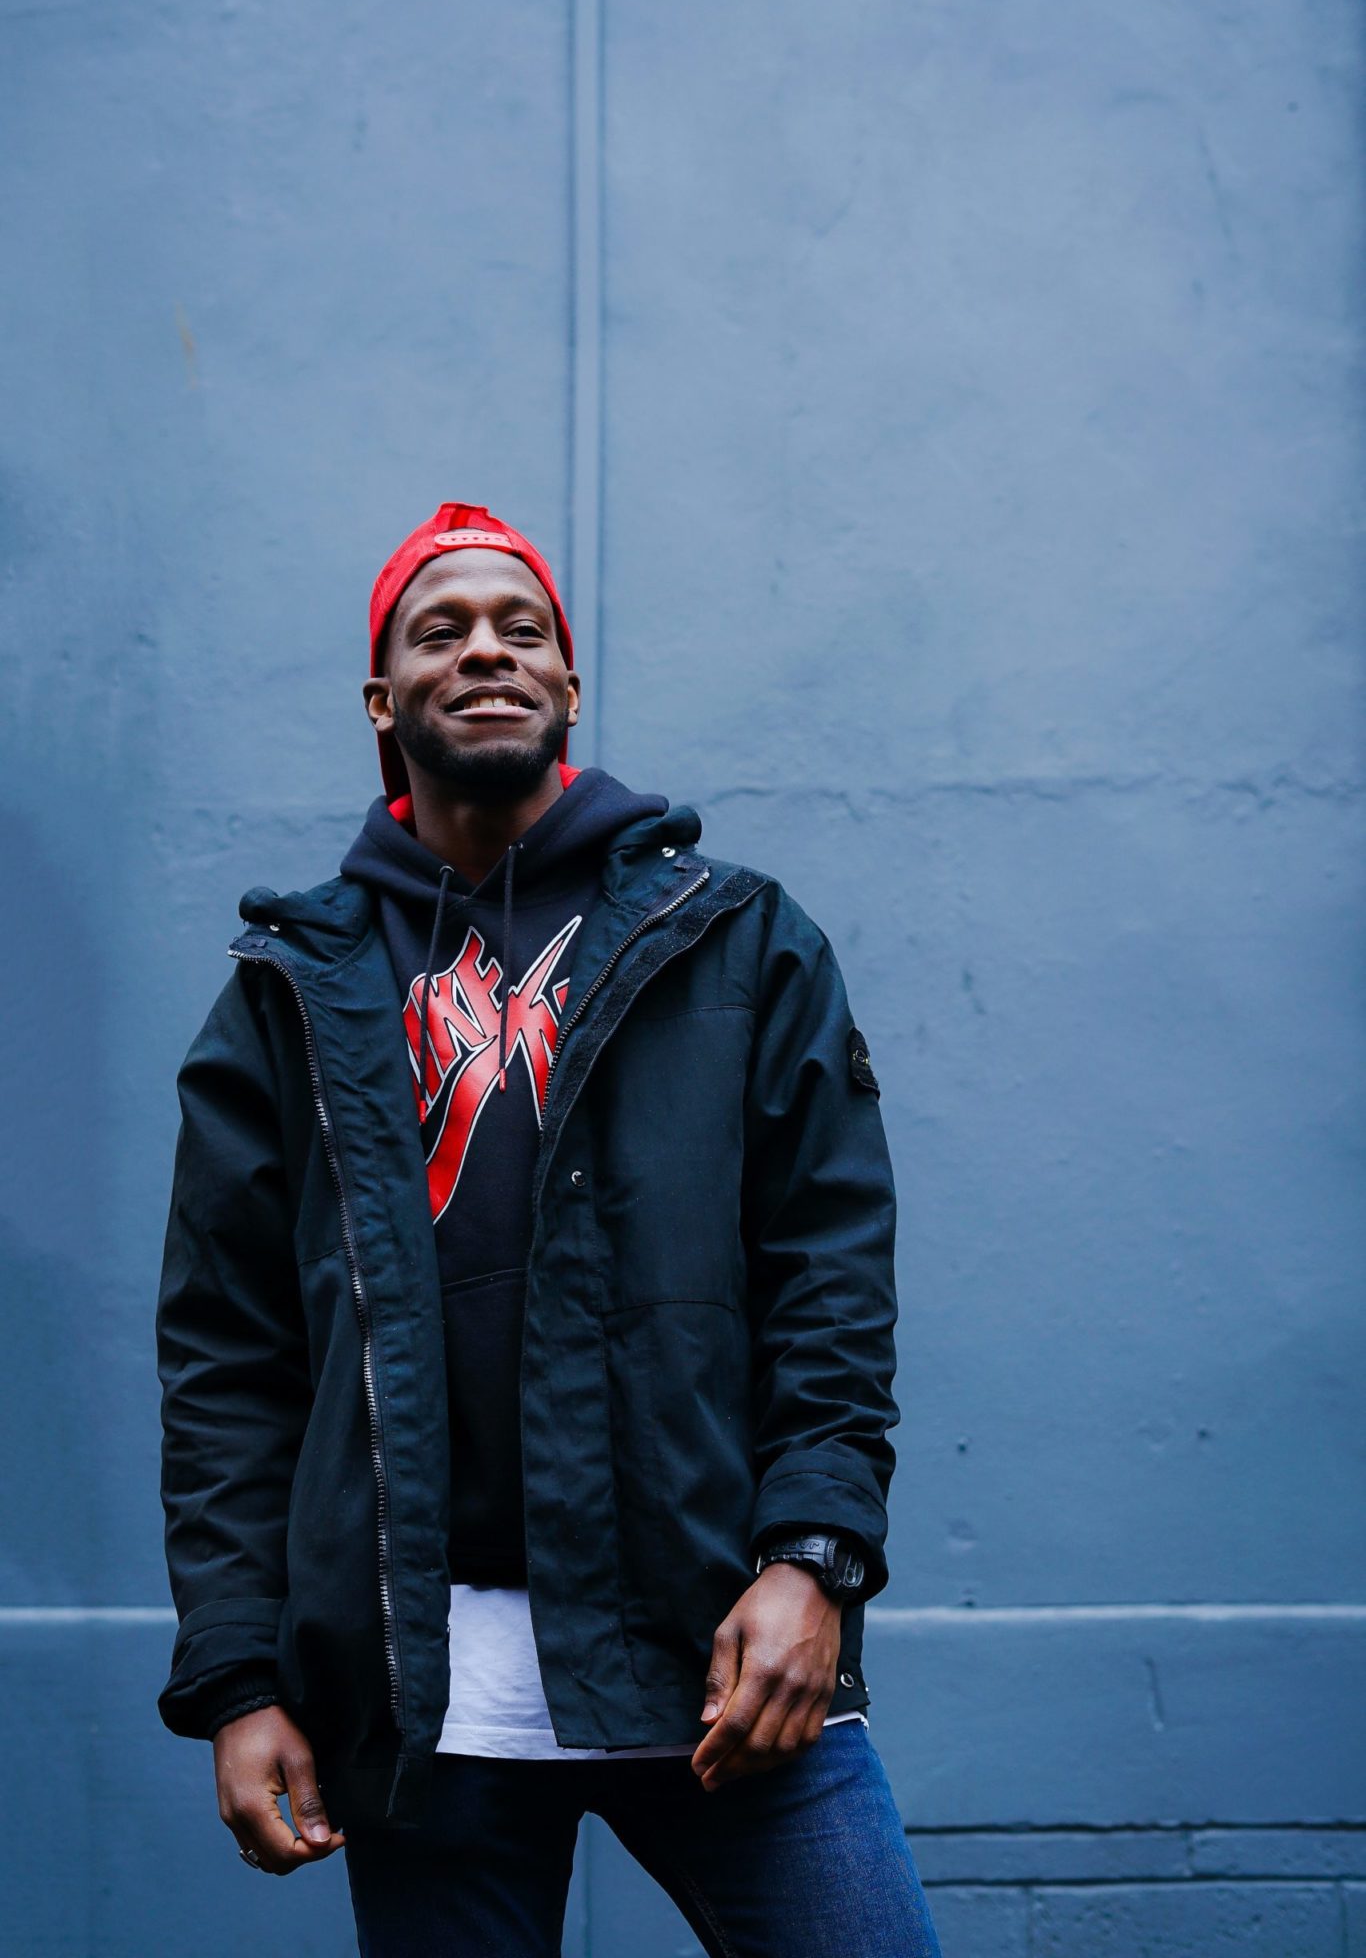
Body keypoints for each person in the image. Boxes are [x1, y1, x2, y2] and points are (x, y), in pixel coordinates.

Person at [155, 501, 942, 1956]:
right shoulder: (287, 988)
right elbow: (227, 1365)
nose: (485, 651)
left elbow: (828, 1285)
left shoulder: (737, 940)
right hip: (417, 1703)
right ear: (385, 702)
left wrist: (811, 1559)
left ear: (569, 692)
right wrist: (239, 1680)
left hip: (718, 1655)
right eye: (438, 630)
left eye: (523, 630)